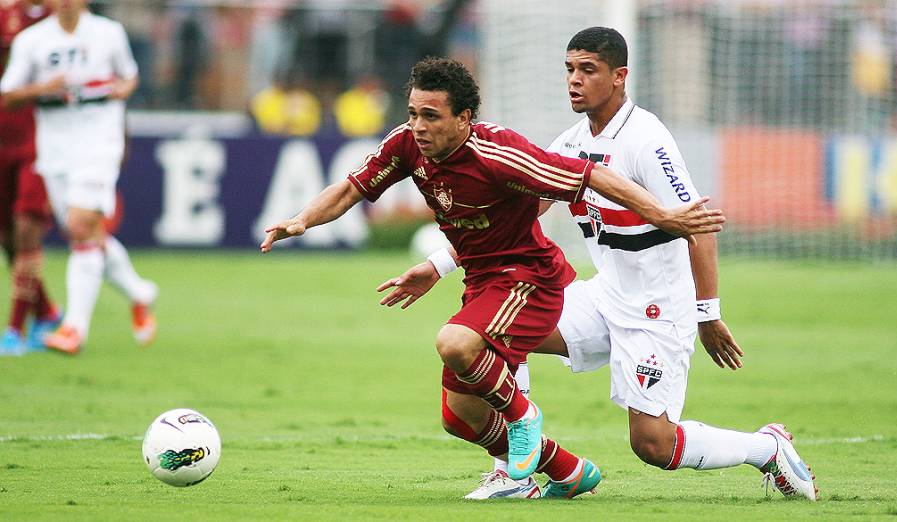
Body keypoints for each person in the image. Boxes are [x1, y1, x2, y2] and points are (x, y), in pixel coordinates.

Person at [381, 28, 818, 501]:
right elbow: (516, 215)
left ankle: (766, 448)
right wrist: (438, 264)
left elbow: (699, 224)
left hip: (657, 309)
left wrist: (707, 313)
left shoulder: (646, 139)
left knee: (654, 445)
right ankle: (514, 472)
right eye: (569, 69)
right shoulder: (569, 143)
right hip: (603, 294)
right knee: (497, 329)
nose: (574, 80)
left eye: (587, 70)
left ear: (619, 77)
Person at [261, 57, 725, 499]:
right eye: (413, 113)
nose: (418, 126)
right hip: (485, 282)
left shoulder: (502, 154)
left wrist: (662, 215)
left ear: (464, 118)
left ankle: (523, 420)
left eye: (431, 116)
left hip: (530, 279)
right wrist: (303, 220)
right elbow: (351, 186)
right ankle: (567, 471)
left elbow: (592, 177)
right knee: (460, 414)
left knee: (457, 343)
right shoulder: (407, 144)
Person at [0, 0, 157, 355]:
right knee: (83, 232)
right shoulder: (32, 40)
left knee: (80, 224)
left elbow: (130, 76)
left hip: (99, 142)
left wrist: (122, 89)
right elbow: (7, 95)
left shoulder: (108, 33)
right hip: (55, 150)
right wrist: (41, 89)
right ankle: (140, 292)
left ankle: (74, 329)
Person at [0, 0, 59, 356]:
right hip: (2, 139)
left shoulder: (62, 20)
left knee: (25, 229)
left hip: (39, 140)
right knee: (7, 237)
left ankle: (13, 329)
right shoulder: (8, 13)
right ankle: (47, 312)